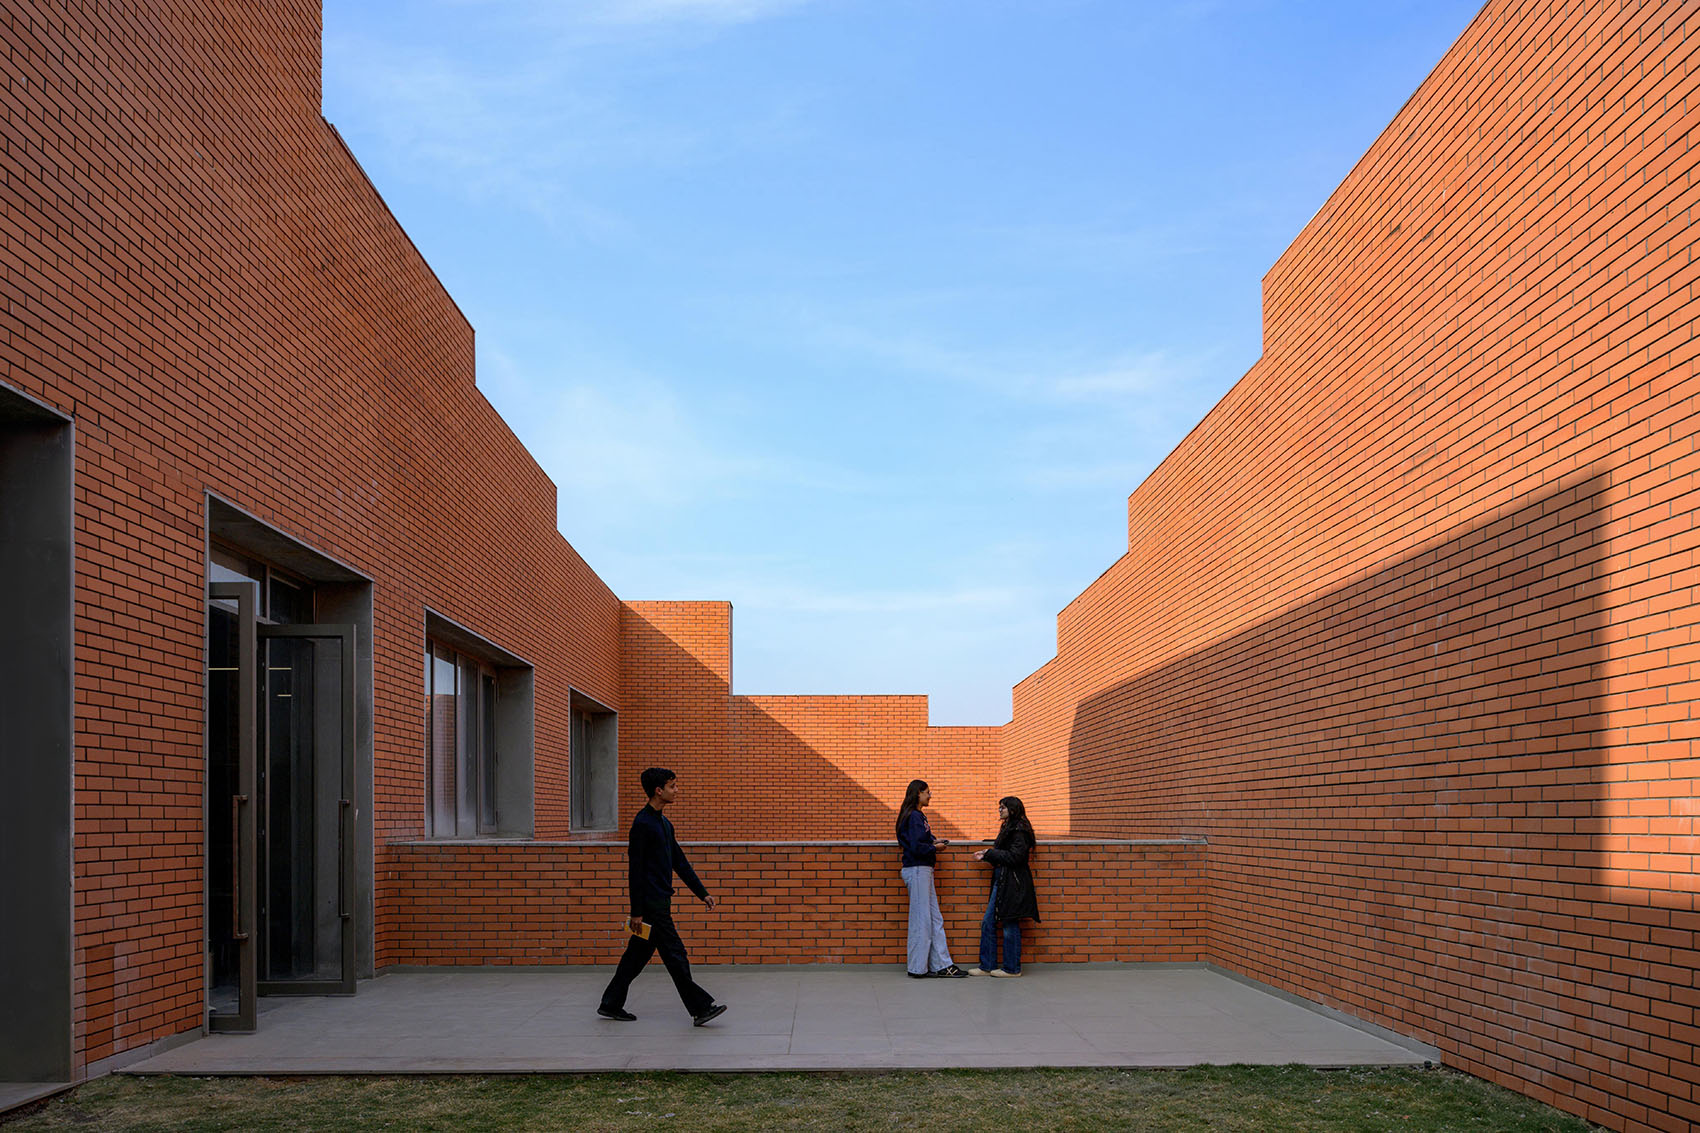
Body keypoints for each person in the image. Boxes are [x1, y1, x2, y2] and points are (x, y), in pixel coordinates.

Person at [597, 767, 728, 1026]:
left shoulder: (664, 824)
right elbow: (635, 871)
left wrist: (702, 893)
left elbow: (679, 862)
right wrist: (636, 911)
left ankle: (610, 1003)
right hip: (651, 907)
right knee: (676, 956)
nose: (676, 790)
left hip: (659, 903)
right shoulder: (642, 824)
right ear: (659, 790)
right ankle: (701, 1008)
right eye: (673, 786)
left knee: (635, 957)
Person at [895, 779, 967, 978]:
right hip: (917, 869)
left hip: (923, 870)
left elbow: (919, 841)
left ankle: (943, 965)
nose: (930, 795)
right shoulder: (914, 816)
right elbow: (917, 847)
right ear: (918, 793)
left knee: (934, 919)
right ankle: (917, 968)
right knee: (922, 920)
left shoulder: (916, 816)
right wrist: (935, 847)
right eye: (927, 792)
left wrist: (934, 841)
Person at [967, 796, 1039, 978]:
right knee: (989, 922)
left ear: (1013, 809)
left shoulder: (1019, 830)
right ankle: (987, 965)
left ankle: (1012, 968)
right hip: (1004, 880)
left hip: (1013, 882)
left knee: (1009, 922)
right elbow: (1005, 853)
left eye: (1003, 807)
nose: (1000, 810)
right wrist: (988, 854)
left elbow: (1017, 857)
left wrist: (989, 854)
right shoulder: (1009, 827)